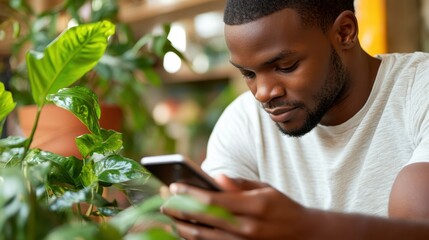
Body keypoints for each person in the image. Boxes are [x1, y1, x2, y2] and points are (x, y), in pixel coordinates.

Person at [162, 0, 429, 239]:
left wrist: (307, 228)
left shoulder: (418, 89)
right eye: (249, 74)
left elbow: (419, 224)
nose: (263, 93)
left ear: (344, 32)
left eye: (285, 66)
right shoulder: (245, 120)